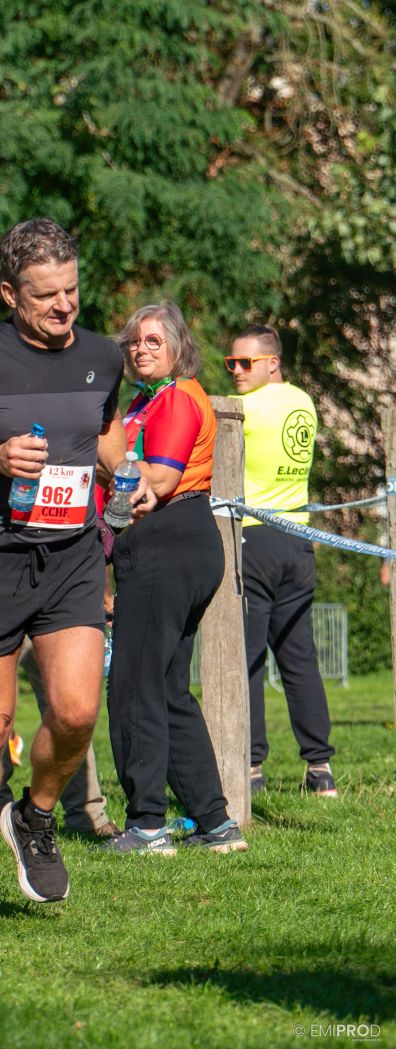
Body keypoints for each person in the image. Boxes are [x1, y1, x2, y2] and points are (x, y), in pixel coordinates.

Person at [0, 218, 153, 924]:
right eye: (46, 295)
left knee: (75, 713)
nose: (64, 305)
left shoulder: (102, 356)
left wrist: (125, 470)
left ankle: (35, 815)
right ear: (12, 294)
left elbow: (105, 429)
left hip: (72, 556)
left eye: (71, 289)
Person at [102, 301, 247, 855]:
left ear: (178, 347)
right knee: (166, 688)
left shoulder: (180, 396)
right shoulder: (145, 400)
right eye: (134, 342)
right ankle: (216, 823)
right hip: (170, 546)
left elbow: (160, 479)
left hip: (171, 540)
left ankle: (146, 825)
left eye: (153, 341)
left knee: (133, 684)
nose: (140, 349)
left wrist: (105, 466)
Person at [0, 476, 120, 838]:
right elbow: (90, 539)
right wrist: (105, 597)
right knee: (66, 701)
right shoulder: (81, 469)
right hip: (37, 565)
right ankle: (86, 815)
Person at [226, 323, 337, 797]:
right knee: (299, 657)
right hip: (298, 540)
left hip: (255, 539)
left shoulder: (243, 409)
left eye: (245, 362)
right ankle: (320, 768)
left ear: (272, 363)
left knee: (247, 657)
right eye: (231, 363)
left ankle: (251, 767)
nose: (236, 371)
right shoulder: (304, 402)